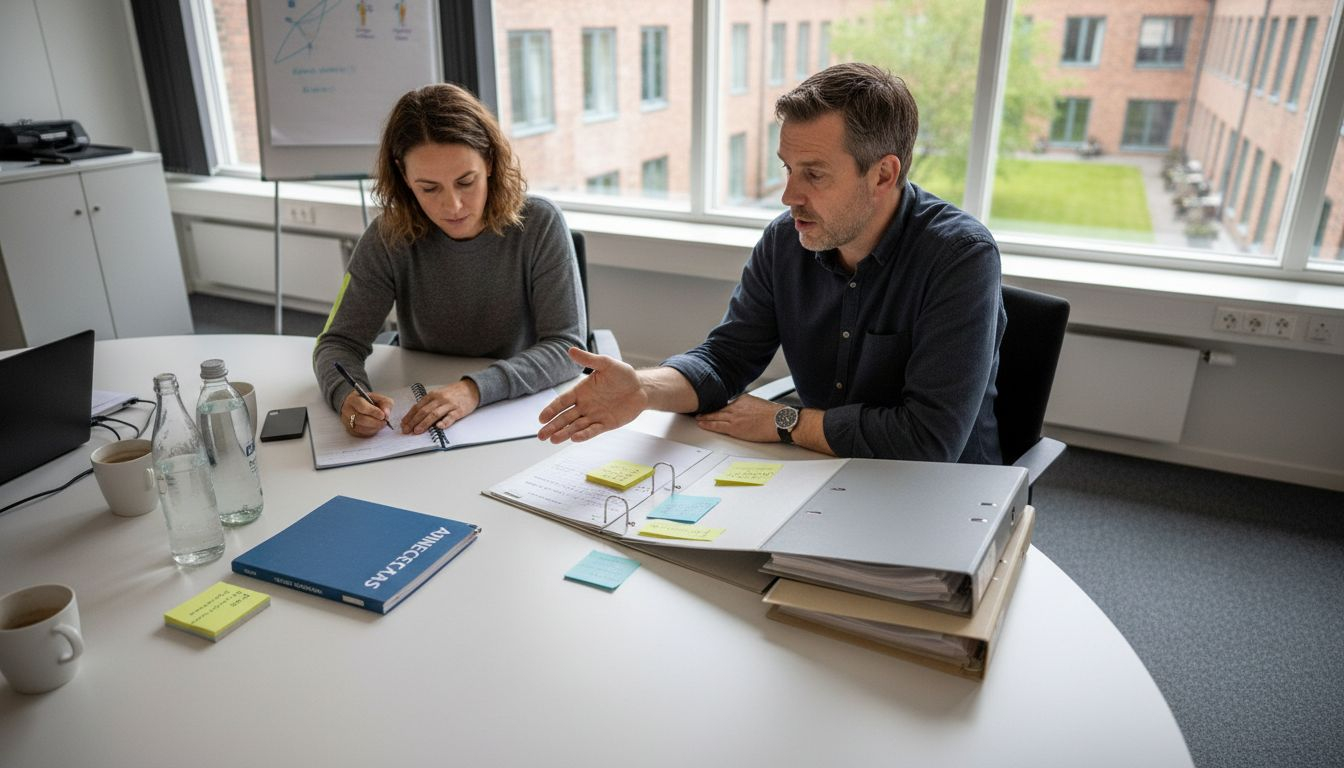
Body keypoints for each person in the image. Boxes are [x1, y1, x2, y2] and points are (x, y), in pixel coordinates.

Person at [538, 63, 1005, 464]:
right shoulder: (787, 239)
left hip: (940, 494)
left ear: (883, 174)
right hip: (825, 470)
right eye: (787, 168)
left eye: (814, 174)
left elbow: (927, 440)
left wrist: (785, 421)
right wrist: (643, 388)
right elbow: (726, 358)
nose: (788, 197)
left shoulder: (960, 258)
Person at [314, 83, 586, 437]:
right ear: (403, 176)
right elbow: (336, 344)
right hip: (422, 404)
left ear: (488, 161)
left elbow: (567, 348)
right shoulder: (387, 235)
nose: (453, 206)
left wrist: (472, 389)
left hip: (518, 408)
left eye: (466, 181)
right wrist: (347, 394)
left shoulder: (540, 223)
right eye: (429, 188)